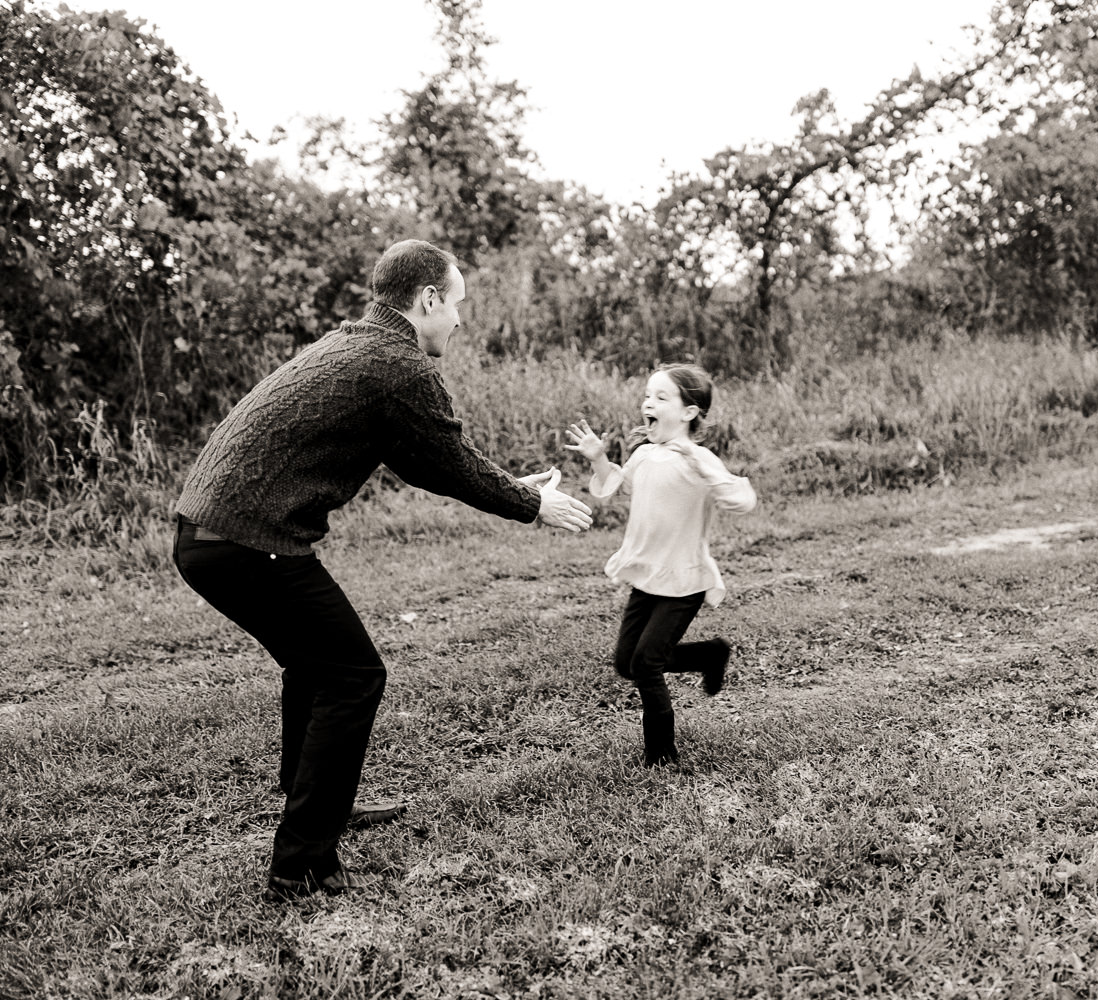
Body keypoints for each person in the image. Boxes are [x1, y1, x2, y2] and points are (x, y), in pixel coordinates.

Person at [172, 239, 593, 901]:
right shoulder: (398, 366)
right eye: (456, 304)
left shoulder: (359, 345)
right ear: (427, 300)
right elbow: (449, 466)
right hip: (247, 541)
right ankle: (301, 866)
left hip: (212, 535)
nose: (459, 319)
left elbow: (427, 459)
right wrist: (534, 503)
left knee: (318, 668)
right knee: (353, 676)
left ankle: (317, 807)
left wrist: (512, 485)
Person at [564, 363, 756, 767]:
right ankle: (709, 654)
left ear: (689, 411)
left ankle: (662, 757)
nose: (649, 403)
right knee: (626, 663)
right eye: (647, 396)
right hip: (647, 576)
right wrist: (599, 458)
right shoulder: (644, 454)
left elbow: (742, 500)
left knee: (647, 664)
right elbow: (615, 484)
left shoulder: (699, 459)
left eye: (661, 397)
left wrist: (702, 464)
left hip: (684, 581)